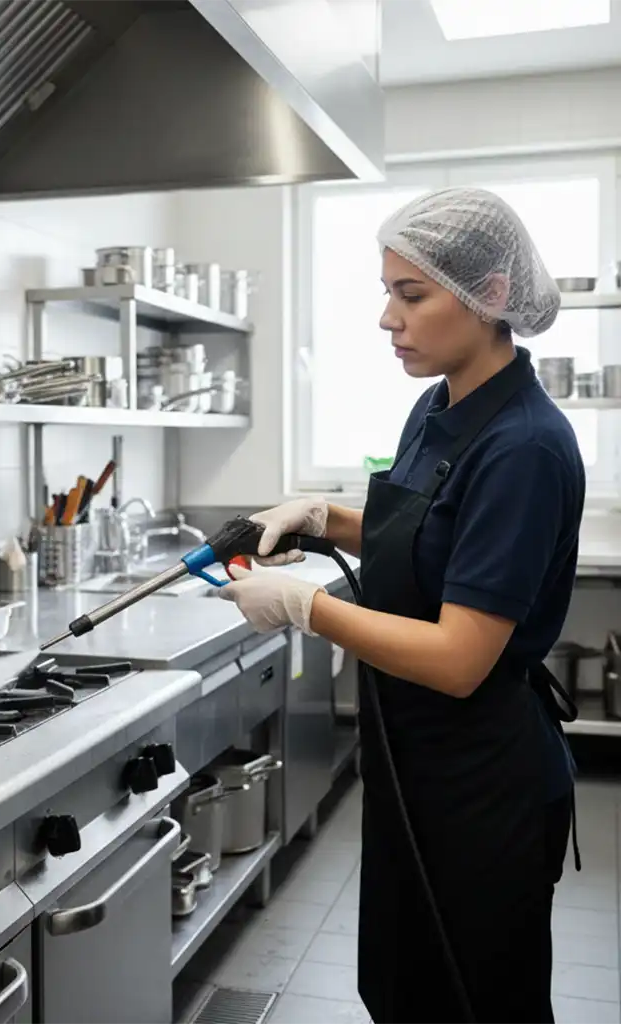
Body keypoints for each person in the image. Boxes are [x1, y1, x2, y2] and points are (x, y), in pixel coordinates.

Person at [221, 187, 584, 1024]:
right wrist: (320, 514)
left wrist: (307, 608)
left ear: (491, 296)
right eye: (388, 292)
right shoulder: (440, 406)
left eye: (411, 295)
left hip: (482, 781)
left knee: (473, 1000)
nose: (388, 318)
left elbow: (460, 659)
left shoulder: (525, 445)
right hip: (412, 769)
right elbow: (424, 533)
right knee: (403, 990)